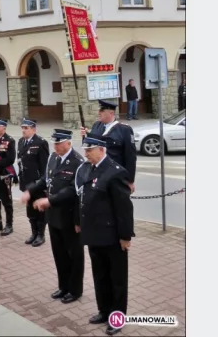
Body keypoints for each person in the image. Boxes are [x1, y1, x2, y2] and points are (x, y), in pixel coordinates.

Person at [75, 137, 134, 335]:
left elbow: (124, 210)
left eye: (89, 150)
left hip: (112, 236)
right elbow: (84, 199)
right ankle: (104, 311)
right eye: (85, 150)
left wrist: (125, 237)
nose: (86, 154)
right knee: (99, 276)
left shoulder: (116, 172)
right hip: (94, 234)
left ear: (101, 149)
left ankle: (117, 318)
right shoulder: (89, 168)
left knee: (116, 279)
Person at [24, 128, 86, 304]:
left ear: (68, 143)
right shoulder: (53, 158)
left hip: (70, 217)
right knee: (59, 253)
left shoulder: (78, 162)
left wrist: (50, 200)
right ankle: (63, 286)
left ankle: (75, 290)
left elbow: (74, 191)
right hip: (53, 216)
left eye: (59, 143)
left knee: (74, 255)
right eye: (54, 143)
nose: (55, 147)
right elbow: (45, 180)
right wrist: (31, 191)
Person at [81, 100, 137, 193]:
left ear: (111, 113)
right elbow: (90, 148)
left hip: (115, 176)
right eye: (99, 109)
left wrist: (130, 180)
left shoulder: (124, 129)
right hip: (96, 174)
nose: (99, 112)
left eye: (102, 110)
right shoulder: (96, 126)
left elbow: (130, 157)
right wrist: (85, 136)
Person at [17, 118, 50, 246]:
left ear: (33, 129)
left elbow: (44, 166)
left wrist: (42, 184)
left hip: (37, 183)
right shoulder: (21, 142)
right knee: (30, 210)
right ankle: (34, 233)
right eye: (22, 128)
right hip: (26, 182)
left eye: (26, 128)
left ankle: (41, 235)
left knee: (39, 211)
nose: (23, 130)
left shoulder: (41, 143)